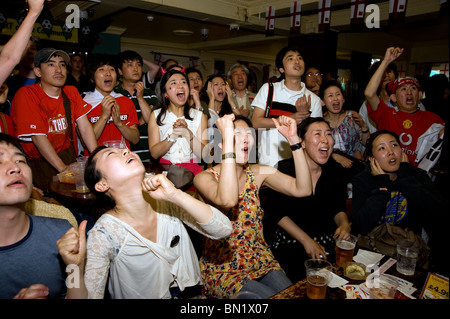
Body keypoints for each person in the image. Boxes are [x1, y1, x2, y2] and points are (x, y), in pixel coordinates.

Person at [83, 145, 232, 299]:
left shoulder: (166, 201)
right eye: (111, 154)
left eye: (123, 149)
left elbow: (224, 229)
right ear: (102, 185)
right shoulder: (104, 234)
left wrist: (175, 195)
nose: (126, 151)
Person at [194, 113, 312, 299]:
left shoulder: (257, 172)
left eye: (249, 133)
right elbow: (227, 200)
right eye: (237, 133)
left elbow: (303, 189)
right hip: (224, 269)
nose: (246, 138)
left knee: (294, 296)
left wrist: (293, 140)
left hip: (260, 259)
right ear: (221, 143)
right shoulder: (204, 178)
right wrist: (227, 146)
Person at [262, 117, 351, 283]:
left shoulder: (335, 170)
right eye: (317, 134)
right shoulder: (284, 168)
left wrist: (344, 224)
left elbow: (337, 208)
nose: (325, 139)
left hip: (327, 241)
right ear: (301, 142)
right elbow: (276, 213)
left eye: (328, 134)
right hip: (292, 242)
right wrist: (306, 240)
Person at [0, 133, 87, 299]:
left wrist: (76, 268)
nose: (16, 168)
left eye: (20, 161)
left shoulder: (62, 233)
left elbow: (75, 289)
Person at [352, 130, 448, 276]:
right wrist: (382, 187)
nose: (390, 152)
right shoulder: (363, 180)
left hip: (408, 256)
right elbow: (361, 225)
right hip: (372, 252)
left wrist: (404, 178)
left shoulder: (416, 176)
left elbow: (439, 212)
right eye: (382, 148)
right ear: (371, 159)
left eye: (394, 145)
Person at [10, 48, 97, 193]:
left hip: (67, 157)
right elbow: (38, 137)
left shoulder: (71, 92)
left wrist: (97, 157)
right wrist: (63, 168)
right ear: (38, 72)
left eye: (62, 65)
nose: (59, 70)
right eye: (51, 65)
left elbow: (85, 127)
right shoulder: (27, 94)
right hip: (40, 164)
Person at [364, 47, 445, 165]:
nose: (409, 92)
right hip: (387, 175)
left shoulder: (434, 119)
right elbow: (369, 93)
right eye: (403, 89)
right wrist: (386, 61)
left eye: (413, 88)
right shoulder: (387, 115)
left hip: (417, 179)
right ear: (393, 98)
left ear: (420, 95)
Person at [251, 45, 323, 167]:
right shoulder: (269, 89)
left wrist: (304, 118)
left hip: (299, 165)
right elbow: (255, 123)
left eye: (300, 58)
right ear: (281, 69)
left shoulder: (313, 100)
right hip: (268, 162)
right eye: (290, 59)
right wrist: (290, 119)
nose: (297, 61)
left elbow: (315, 135)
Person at [148, 69, 208, 175]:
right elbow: (154, 153)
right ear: (165, 93)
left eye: (184, 82)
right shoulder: (156, 116)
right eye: (174, 83)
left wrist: (187, 133)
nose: (180, 86)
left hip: (192, 172)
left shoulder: (199, 116)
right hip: (165, 170)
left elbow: (204, 154)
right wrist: (173, 136)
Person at [83, 54, 140, 151]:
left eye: (111, 69)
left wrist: (119, 123)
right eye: (101, 69)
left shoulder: (125, 101)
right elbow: (85, 143)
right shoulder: (83, 103)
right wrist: (104, 116)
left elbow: (135, 139)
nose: (108, 73)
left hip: (122, 161)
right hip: (96, 162)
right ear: (92, 78)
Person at [114, 50, 159, 162]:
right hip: (123, 155)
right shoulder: (115, 94)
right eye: (130, 65)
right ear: (120, 71)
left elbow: (151, 120)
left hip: (148, 153)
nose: (135, 68)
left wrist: (140, 97)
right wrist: (139, 122)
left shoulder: (149, 93)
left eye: (138, 65)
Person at [321, 80, 369, 172]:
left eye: (338, 94)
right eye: (330, 95)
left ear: (343, 99)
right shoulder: (320, 121)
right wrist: (333, 156)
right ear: (323, 102)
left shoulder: (353, 117)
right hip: (328, 169)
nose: (335, 99)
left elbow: (365, 143)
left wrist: (363, 126)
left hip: (353, 168)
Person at [0, 0, 46, 86]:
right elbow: (9, 58)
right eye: (24, 49)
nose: (30, 52)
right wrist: (34, 11)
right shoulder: (6, 85)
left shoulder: (47, 84)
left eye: (32, 48)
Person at [358, 60, 398, 134]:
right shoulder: (367, 104)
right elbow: (360, 130)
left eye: (389, 71)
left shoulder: (404, 102)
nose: (386, 75)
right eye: (382, 73)